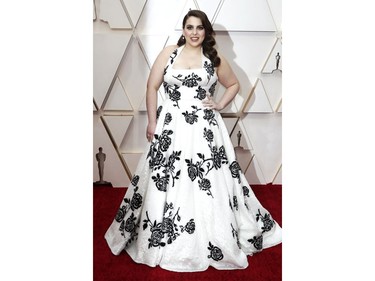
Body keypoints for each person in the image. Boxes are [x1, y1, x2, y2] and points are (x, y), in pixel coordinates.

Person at [104, 9, 281, 272]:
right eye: (189, 27)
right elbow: (151, 87)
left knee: (208, 182)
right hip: (170, 126)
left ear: (205, 31)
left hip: (205, 129)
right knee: (165, 177)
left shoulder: (213, 57)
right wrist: (152, 122)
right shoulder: (169, 54)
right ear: (183, 30)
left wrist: (218, 103)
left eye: (199, 28)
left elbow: (233, 85)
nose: (194, 32)